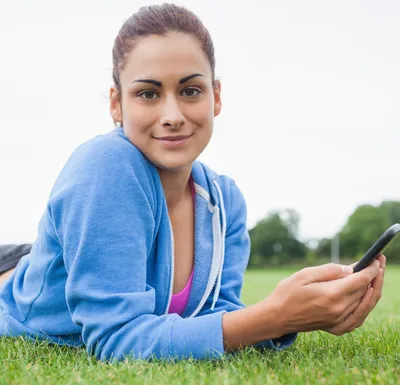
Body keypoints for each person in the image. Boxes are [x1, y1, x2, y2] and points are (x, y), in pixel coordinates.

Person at [0, 3, 385, 363]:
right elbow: (114, 338)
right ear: (117, 104)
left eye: (190, 91)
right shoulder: (105, 165)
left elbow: (219, 318)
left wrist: (298, 312)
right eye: (148, 93)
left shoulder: (224, 201)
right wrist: (274, 316)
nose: (173, 115)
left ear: (215, 96)